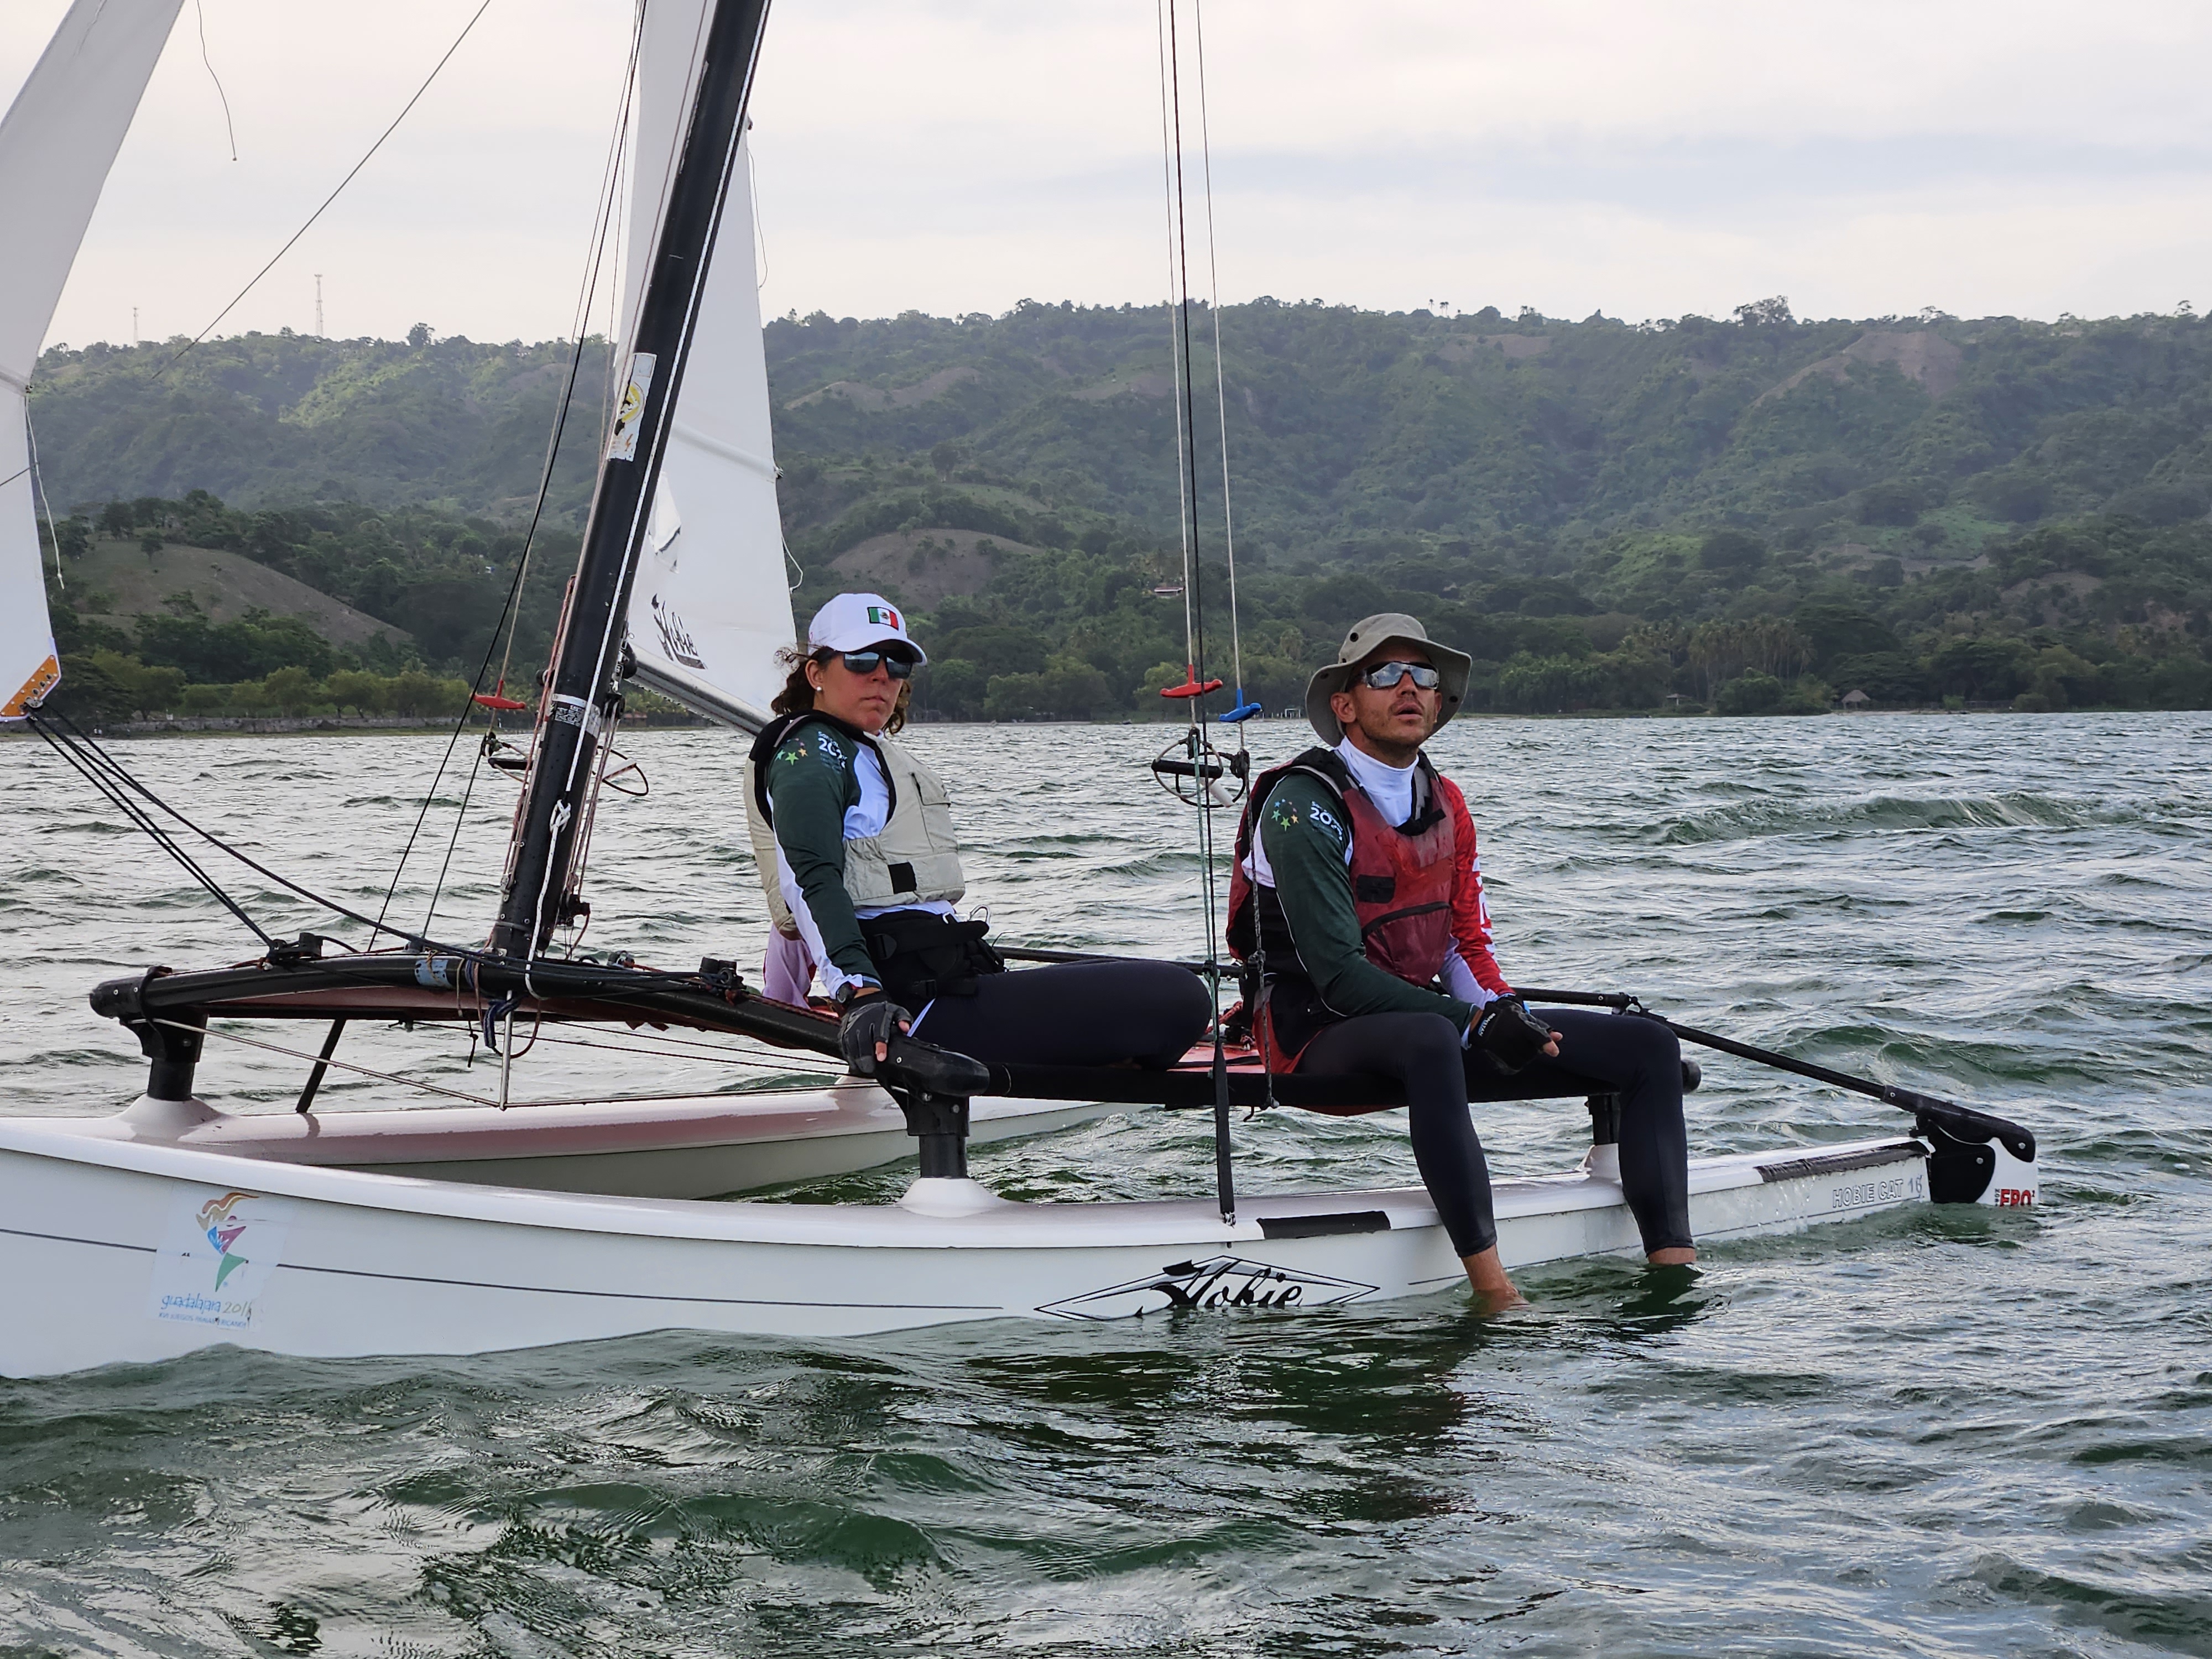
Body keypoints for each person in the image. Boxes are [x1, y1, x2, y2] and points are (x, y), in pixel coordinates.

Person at [1229, 612, 1695, 1311]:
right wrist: (1471, 1026)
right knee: (1430, 1039)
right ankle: (1493, 1290)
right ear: (1345, 704)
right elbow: (1338, 974)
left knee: (1648, 1045)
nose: (1409, 687)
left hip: (1424, 1019)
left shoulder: (1446, 801)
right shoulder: (1302, 804)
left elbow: (1461, 943)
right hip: (1310, 1032)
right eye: (1384, 674)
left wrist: (1506, 1015)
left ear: (1441, 702)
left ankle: (1675, 1273)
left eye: (1425, 675)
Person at [746, 592, 1212, 1079]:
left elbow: (806, 897)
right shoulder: (813, 753)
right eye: (862, 660)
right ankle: (1101, 1060)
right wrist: (861, 997)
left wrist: (784, 999)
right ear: (816, 674)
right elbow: (809, 881)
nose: (882, 676)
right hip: (914, 1014)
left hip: (950, 984)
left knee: (1130, 978)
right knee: (1178, 996)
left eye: (897, 662)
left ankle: (1093, 1055)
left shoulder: (858, 751)